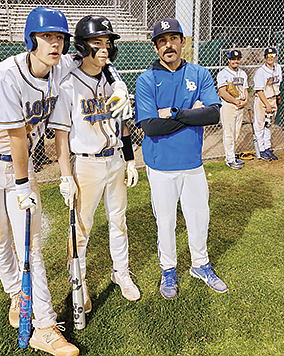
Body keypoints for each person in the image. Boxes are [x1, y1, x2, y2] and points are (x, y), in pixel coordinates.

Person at [0, 7, 129, 356]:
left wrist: (115, 83)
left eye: (59, 38)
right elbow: (17, 139)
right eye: (46, 37)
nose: (55, 44)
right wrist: (23, 185)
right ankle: (15, 295)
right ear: (30, 39)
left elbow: (98, 58)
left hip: (20, 168)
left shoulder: (61, 68)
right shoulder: (5, 75)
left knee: (32, 249)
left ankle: (45, 327)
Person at [50, 15, 140, 314]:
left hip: (114, 159)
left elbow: (123, 124)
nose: (105, 49)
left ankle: (121, 272)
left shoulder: (113, 81)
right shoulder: (68, 84)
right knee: (81, 228)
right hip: (86, 165)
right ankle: (80, 280)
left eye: (107, 43)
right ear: (81, 46)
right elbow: (60, 137)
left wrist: (129, 159)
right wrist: (65, 176)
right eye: (97, 43)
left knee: (119, 220)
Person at [135, 18, 228, 300]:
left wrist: (173, 112)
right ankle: (169, 269)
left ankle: (200, 265)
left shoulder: (199, 74)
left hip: (193, 163)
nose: (168, 45)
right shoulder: (146, 79)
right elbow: (150, 126)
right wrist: (190, 113)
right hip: (161, 164)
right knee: (165, 221)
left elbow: (213, 114)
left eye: (173, 38)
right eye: (162, 41)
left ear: (183, 41)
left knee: (199, 217)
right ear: (155, 47)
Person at [217, 50, 249, 169]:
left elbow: (245, 89)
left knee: (236, 133)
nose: (236, 61)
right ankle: (229, 159)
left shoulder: (243, 73)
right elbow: (222, 92)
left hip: (240, 105)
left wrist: (245, 101)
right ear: (229, 60)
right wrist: (235, 101)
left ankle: (232, 156)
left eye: (238, 59)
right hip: (228, 105)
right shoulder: (223, 73)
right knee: (229, 133)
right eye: (233, 59)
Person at [253, 47, 282, 161]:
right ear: (265, 58)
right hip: (262, 100)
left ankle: (267, 148)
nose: (270, 58)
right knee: (260, 125)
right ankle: (261, 150)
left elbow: (277, 84)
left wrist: (277, 97)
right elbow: (259, 90)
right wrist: (267, 104)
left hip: (273, 98)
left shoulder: (278, 68)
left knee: (269, 125)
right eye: (268, 56)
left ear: (276, 57)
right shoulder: (260, 71)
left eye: (272, 55)